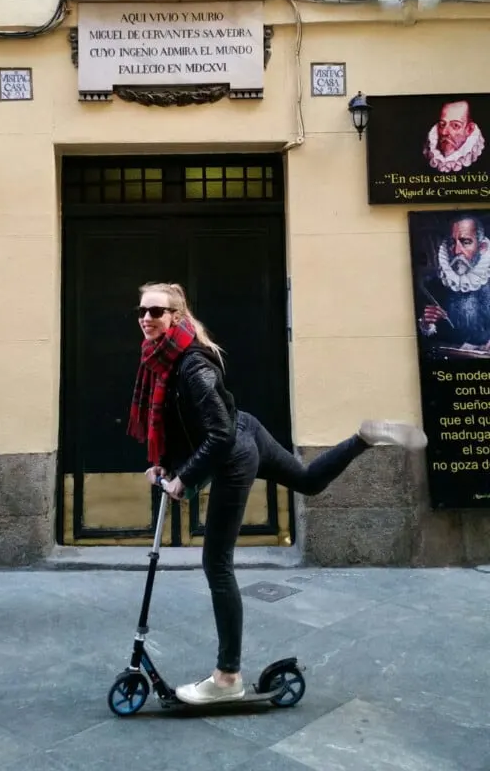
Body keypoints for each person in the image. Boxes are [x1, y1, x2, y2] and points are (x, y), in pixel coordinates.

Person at [127, 282, 427, 706]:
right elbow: (181, 423)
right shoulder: (165, 359)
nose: (145, 318)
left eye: (156, 311)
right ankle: (363, 437)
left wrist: (183, 478)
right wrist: (166, 464)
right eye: (141, 310)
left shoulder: (192, 367)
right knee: (308, 481)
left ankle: (228, 678)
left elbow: (216, 434)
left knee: (217, 564)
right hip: (247, 430)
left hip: (233, 453)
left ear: (176, 316)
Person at [419, 215, 490, 353]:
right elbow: (426, 343)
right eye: (452, 243)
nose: (457, 251)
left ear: (481, 247)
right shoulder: (431, 285)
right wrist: (426, 324)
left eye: (466, 242)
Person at [423, 100, 485, 174]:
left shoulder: (484, 160)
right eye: (442, 124)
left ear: (469, 129)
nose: (444, 132)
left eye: (455, 125)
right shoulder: (429, 154)